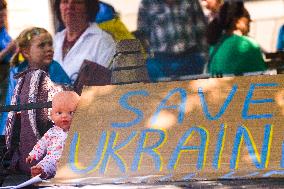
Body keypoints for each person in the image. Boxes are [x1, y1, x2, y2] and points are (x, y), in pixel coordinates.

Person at [4, 27, 63, 175]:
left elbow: (64, 93)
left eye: (50, 44)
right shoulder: (17, 72)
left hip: (50, 124)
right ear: (25, 52)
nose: (49, 49)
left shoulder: (55, 67)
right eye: (42, 45)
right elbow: (13, 102)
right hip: (21, 128)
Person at [137, 0, 207, 82]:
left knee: (195, 93)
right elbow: (142, 35)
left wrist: (204, 57)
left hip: (190, 59)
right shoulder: (146, 3)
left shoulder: (191, 1)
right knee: (165, 93)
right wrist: (149, 62)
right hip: (160, 62)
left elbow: (201, 28)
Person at [53, 0, 116, 85]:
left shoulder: (103, 42)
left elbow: (103, 89)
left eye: (77, 2)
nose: (69, 7)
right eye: (65, 1)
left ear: (88, 8)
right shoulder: (55, 40)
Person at [26, 91, 80, 179]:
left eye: (71, 113)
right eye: (59, 113)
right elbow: (42, 144)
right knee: (45, 164)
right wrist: (33, 154)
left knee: (77, 163)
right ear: (51, 115)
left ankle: (65, 171)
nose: (64, 116)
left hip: (71, 159)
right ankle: (40, 172)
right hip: (52, 159)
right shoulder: (51, 132)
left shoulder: (78, 131)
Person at [206, 2, 267, 76]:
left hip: (219, 87)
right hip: (242, 86)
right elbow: (262, 75)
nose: (250, 22)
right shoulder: (248, 44)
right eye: (248, 18)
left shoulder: (214, 45)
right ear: (237, 21)